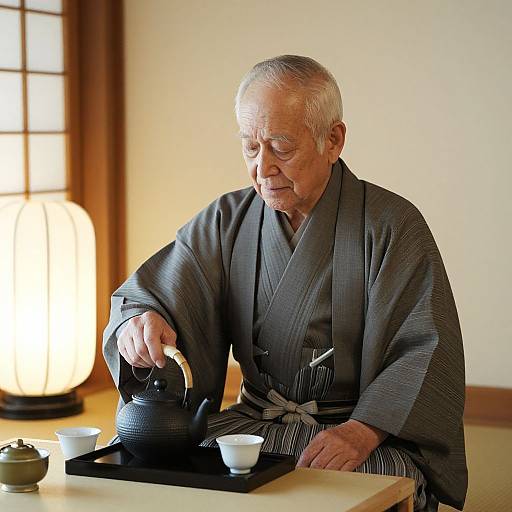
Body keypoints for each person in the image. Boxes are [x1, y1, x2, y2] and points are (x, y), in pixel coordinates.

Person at [103, 55, 467, 511]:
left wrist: (362, 432)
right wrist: (142, 322)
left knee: (372, 489)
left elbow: (424, 348)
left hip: (358, 434)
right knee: (153, 458)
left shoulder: (391, 225)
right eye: (250, 148)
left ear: (332, 140)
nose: (263, 168)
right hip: (253, 426)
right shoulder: (226, 220)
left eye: (281, 146)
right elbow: (157, 293)